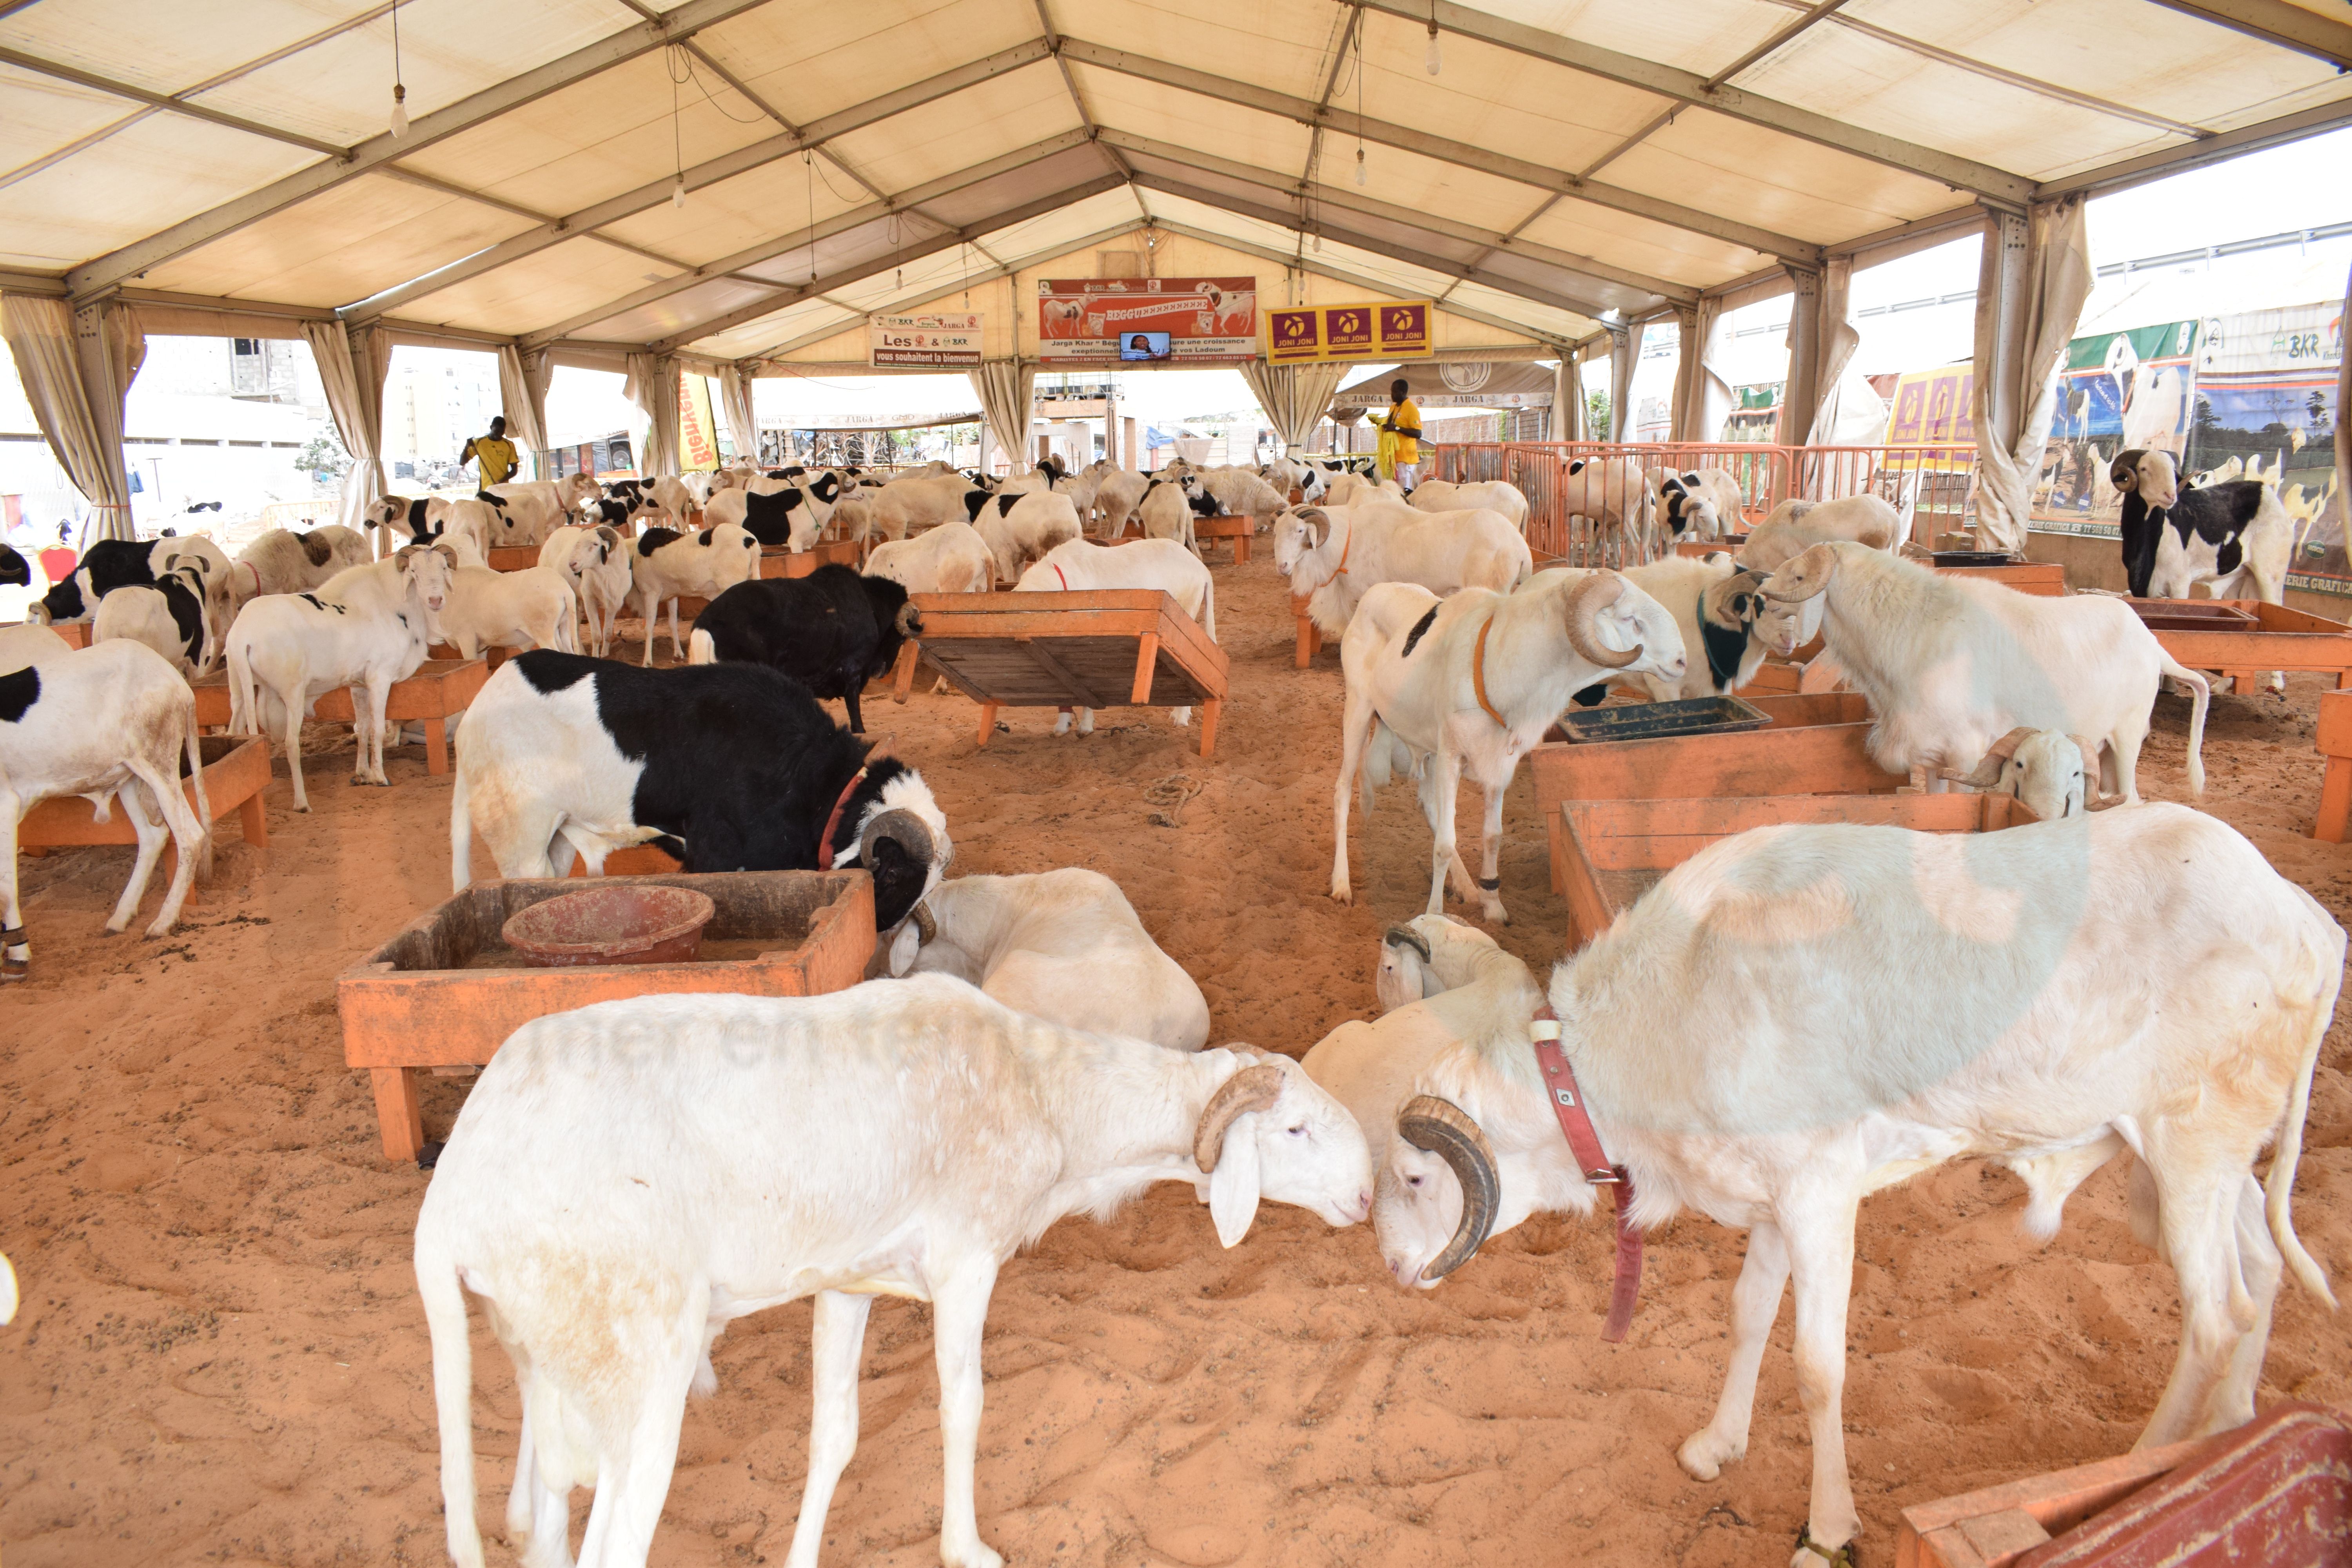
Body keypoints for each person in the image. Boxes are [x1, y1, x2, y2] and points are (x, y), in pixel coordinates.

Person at [1378, 377, 1422, 492]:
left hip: (1406, 459)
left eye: (1395, 392)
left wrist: (1397, 428)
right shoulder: (1393, 408)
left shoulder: (1411, 409)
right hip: (1394, 458)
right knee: (1395, 490)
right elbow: (1391, 425)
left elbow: (1418, 433)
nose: (1392, 395)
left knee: (1405, 492)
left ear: (1403, 393)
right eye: (1391, 391)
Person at [460, 415, 519, 489]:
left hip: (503, 488)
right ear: (491, 428)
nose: (499, 435)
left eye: (502, 432)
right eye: (497, 431)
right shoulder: (479, 443)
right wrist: (467, 447)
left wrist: (501, 481)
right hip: (486, 489)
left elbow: (514, 471)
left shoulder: (509, 445)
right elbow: (462, 462)